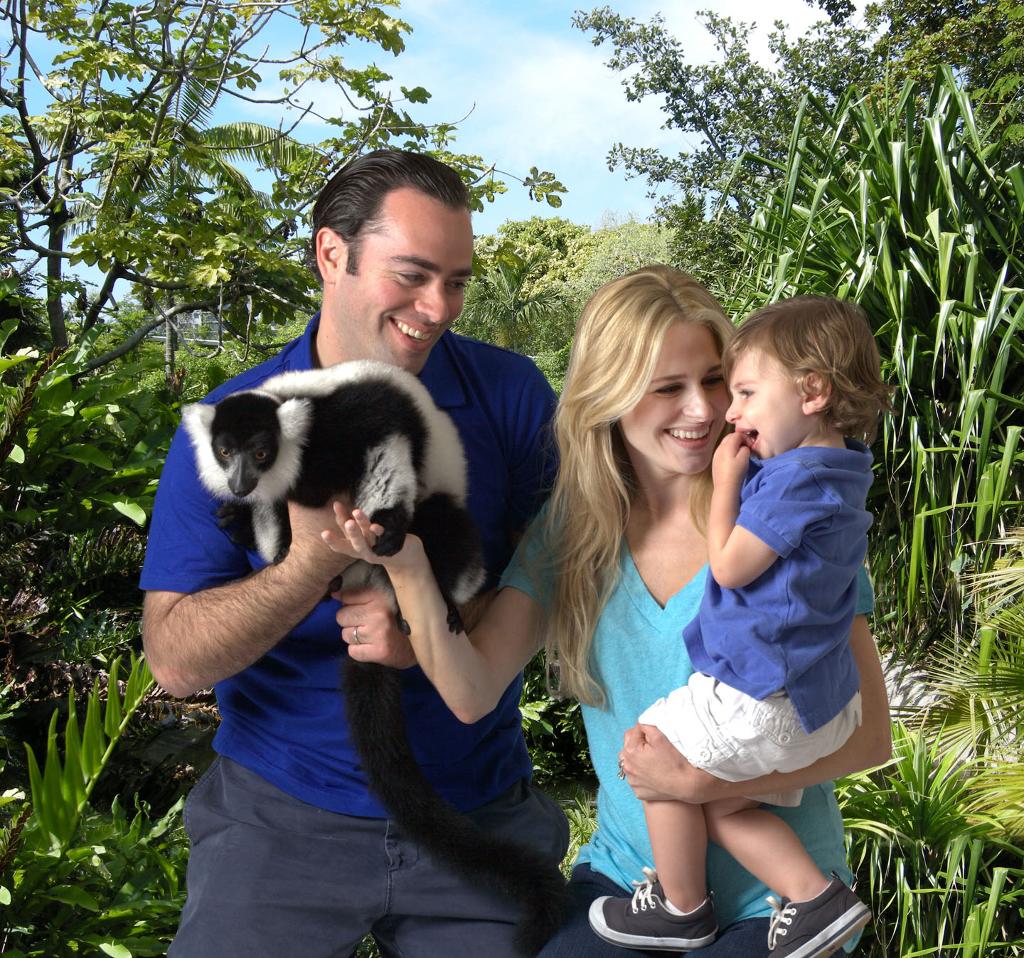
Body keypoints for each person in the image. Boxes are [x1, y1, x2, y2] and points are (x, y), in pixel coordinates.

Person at [324, 267, 892, 957]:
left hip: (781, 904)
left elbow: (869, 739)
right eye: (667, 388)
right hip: (631, 881)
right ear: (611, 396)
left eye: (716, 380)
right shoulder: (574, 530)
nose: (703, 410)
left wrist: (699, 784)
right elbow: (473, 690)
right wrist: (410, 571)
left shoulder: (788, 514)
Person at [140, 149, 568, 958]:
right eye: (412, 275)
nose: (437, 308)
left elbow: (554, 574)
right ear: (332, 255)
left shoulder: (508, 393)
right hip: (278, 810)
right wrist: (308, 565)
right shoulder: (237, 421)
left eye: (457, 281)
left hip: (474, 799)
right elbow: (174, 661)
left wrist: (428, 626)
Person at [587, 296, 890, 957]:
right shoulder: (841, 470)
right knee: (726, 806)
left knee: (653, 747)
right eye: (668, 387)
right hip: (812, 705)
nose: (727, 412)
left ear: (812, 391)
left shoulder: (793, 483)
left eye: (742, 390)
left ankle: (680, 907)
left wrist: (726, 481)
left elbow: (727, 565)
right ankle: (815, 899)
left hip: (763, 699)